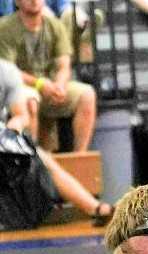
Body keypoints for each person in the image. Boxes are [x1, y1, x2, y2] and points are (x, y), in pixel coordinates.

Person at [1, 58, 113, 225]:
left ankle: (96, 208)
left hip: (3, 140)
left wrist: (11, 132)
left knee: (44, 161)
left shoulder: (7, 71)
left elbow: (21, 115)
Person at [0, 0, 97, 152]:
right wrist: (39, 84)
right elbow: (8, 71)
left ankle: (79, 158)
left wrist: (60, 85)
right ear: (16, 2)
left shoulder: (55, 26)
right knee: (29, 100)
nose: (34, 1)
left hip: (51, 87)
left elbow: (64, 64)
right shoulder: (5, 27)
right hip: (20, 88)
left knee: (87, 94)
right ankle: (31, 161)